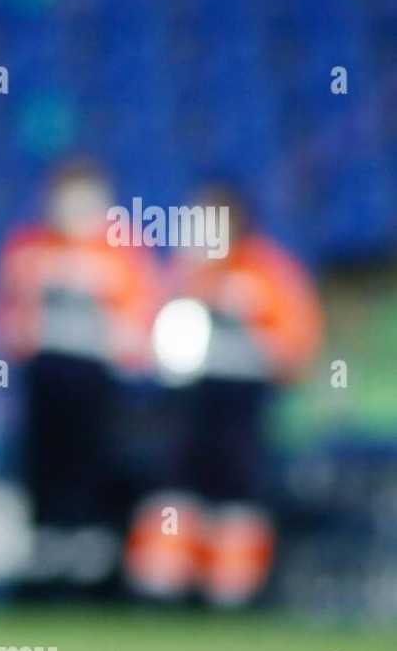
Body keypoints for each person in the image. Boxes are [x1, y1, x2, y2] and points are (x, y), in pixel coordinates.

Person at [123, 182, 323, 607]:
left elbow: (294, 347)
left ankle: (232, 593)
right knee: (175, 494)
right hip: (187, 403)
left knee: (236, 499)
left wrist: (242, 331)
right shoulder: (185, 273)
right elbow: (150, 337)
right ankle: (162, 588)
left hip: (242, 404)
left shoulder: (270, 273)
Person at [0, 158, 160, 597]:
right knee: (43, 472)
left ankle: (92, 574)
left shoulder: (123, 253)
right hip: (44, 378)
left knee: (90, 473)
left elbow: (138, 323)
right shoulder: (28, 247)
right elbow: (11, 318)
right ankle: (44, 571)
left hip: (97, 382)